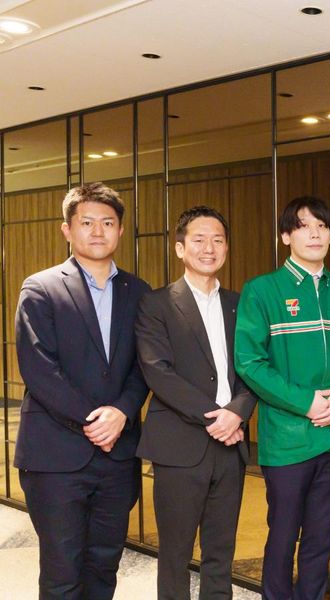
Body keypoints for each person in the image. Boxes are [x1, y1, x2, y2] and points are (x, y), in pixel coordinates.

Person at [14, 182, 150, 600]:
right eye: (86, 222)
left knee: (104, 568)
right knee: (62, 573)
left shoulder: (139, 292)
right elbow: (40, 371)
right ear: (67, 229)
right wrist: (97, 420)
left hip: (118, 456)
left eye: (107, 223)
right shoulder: (41, 288)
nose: (97, 231)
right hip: (56, 457)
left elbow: (144, 367)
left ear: (120, 230)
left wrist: (122, 412)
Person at [235, 196, 330, 600]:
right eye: (303, 226)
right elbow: (250, 363)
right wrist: (307, 402)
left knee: (320, 536)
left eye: (322, 226)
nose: (314, 234)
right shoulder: (262, 291)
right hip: (287, 438)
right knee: (283, 535)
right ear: (285, 236)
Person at [136, 206, 256, 599]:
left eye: (218, 240)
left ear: (227, 248)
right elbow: (158, 371)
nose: (209, 248)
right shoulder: (156, 304)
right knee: (175, 554)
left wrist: (237, 412)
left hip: (231, 447)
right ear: (179, 248)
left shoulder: (241, 304)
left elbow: (254, 368)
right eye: (199, 240)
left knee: (221, 553)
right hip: (180, 446)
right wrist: (218, 418)